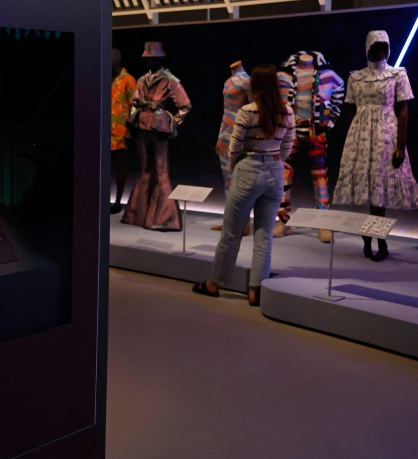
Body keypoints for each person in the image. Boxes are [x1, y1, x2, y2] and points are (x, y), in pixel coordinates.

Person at [193, 63, 295, 306]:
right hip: (275, 171)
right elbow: (287, 149)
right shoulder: (287, 112)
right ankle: (255, 290)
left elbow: (234, 148)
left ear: (254, 85)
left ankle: (214, 283)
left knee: (231, 232)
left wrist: (238, 165)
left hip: (248, 169)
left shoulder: (247, 111)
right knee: (264, 236)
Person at [333, 31, 418, 261]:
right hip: (361, 136)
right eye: (375, 47)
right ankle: (371, 239)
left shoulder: (397, 74)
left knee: (380, 194)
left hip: (386, 136)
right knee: (369, 192)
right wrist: (351, 142)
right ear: (367, 48)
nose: (379, 51)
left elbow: (403, 110)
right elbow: (352, 109)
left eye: (383, 47)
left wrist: (401, 145)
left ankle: (378, 241)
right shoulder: (356, 77)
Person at [275, 51, 344, 243]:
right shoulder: (283, 75)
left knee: (320, 175)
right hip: (290, 130)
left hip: (316, 130)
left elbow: (338, 92)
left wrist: (329, 122)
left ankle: (323, 222)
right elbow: (274, 98)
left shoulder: (327, 73)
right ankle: (283, 220)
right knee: (285, 175)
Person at [122, 42, 192, 231]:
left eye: (152, 58)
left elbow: (185, 105)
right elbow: (136, 103)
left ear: (161, 58)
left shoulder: (170, 80)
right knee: (145, 169)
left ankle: (163, 217)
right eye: (146, 59)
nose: (149, 61)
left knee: (160, 170)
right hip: (142, 126)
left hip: (159, 129)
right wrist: (132, 122)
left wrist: (172, 123)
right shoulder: (142, 80)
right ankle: (138, 215)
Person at [212, 61, 251, 233]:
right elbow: (225, 111)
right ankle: (230, 221)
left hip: (239, 133)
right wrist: (219, 137)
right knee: (228, 179)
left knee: (240, 179)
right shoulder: (228, 81)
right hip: (225, 132)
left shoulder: (246, 81)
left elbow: (253, 110)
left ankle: (245, 223)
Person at [110, 48, 137, 214]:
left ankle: (118, 201)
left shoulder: (128, 80)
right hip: (103, 129)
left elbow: (133, 107)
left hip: (119, 130)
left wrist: (128, 129)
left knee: (119, 165)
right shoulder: (107, 79)